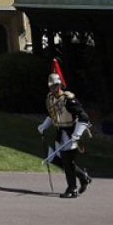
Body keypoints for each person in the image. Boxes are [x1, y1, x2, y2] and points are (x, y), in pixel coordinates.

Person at [39, 59, 92, 199]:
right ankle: (83, 177)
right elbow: (53, 115)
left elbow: (84, 117)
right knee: (56, 159)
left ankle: (72, 188)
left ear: (60, 85)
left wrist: (77, 134)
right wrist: (44, 125)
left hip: (71, 132)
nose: (53, 88)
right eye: (51, 86)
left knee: (68, 162)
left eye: (56, 85)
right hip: (60, 132)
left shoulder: (69, 99)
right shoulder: (50, 99)